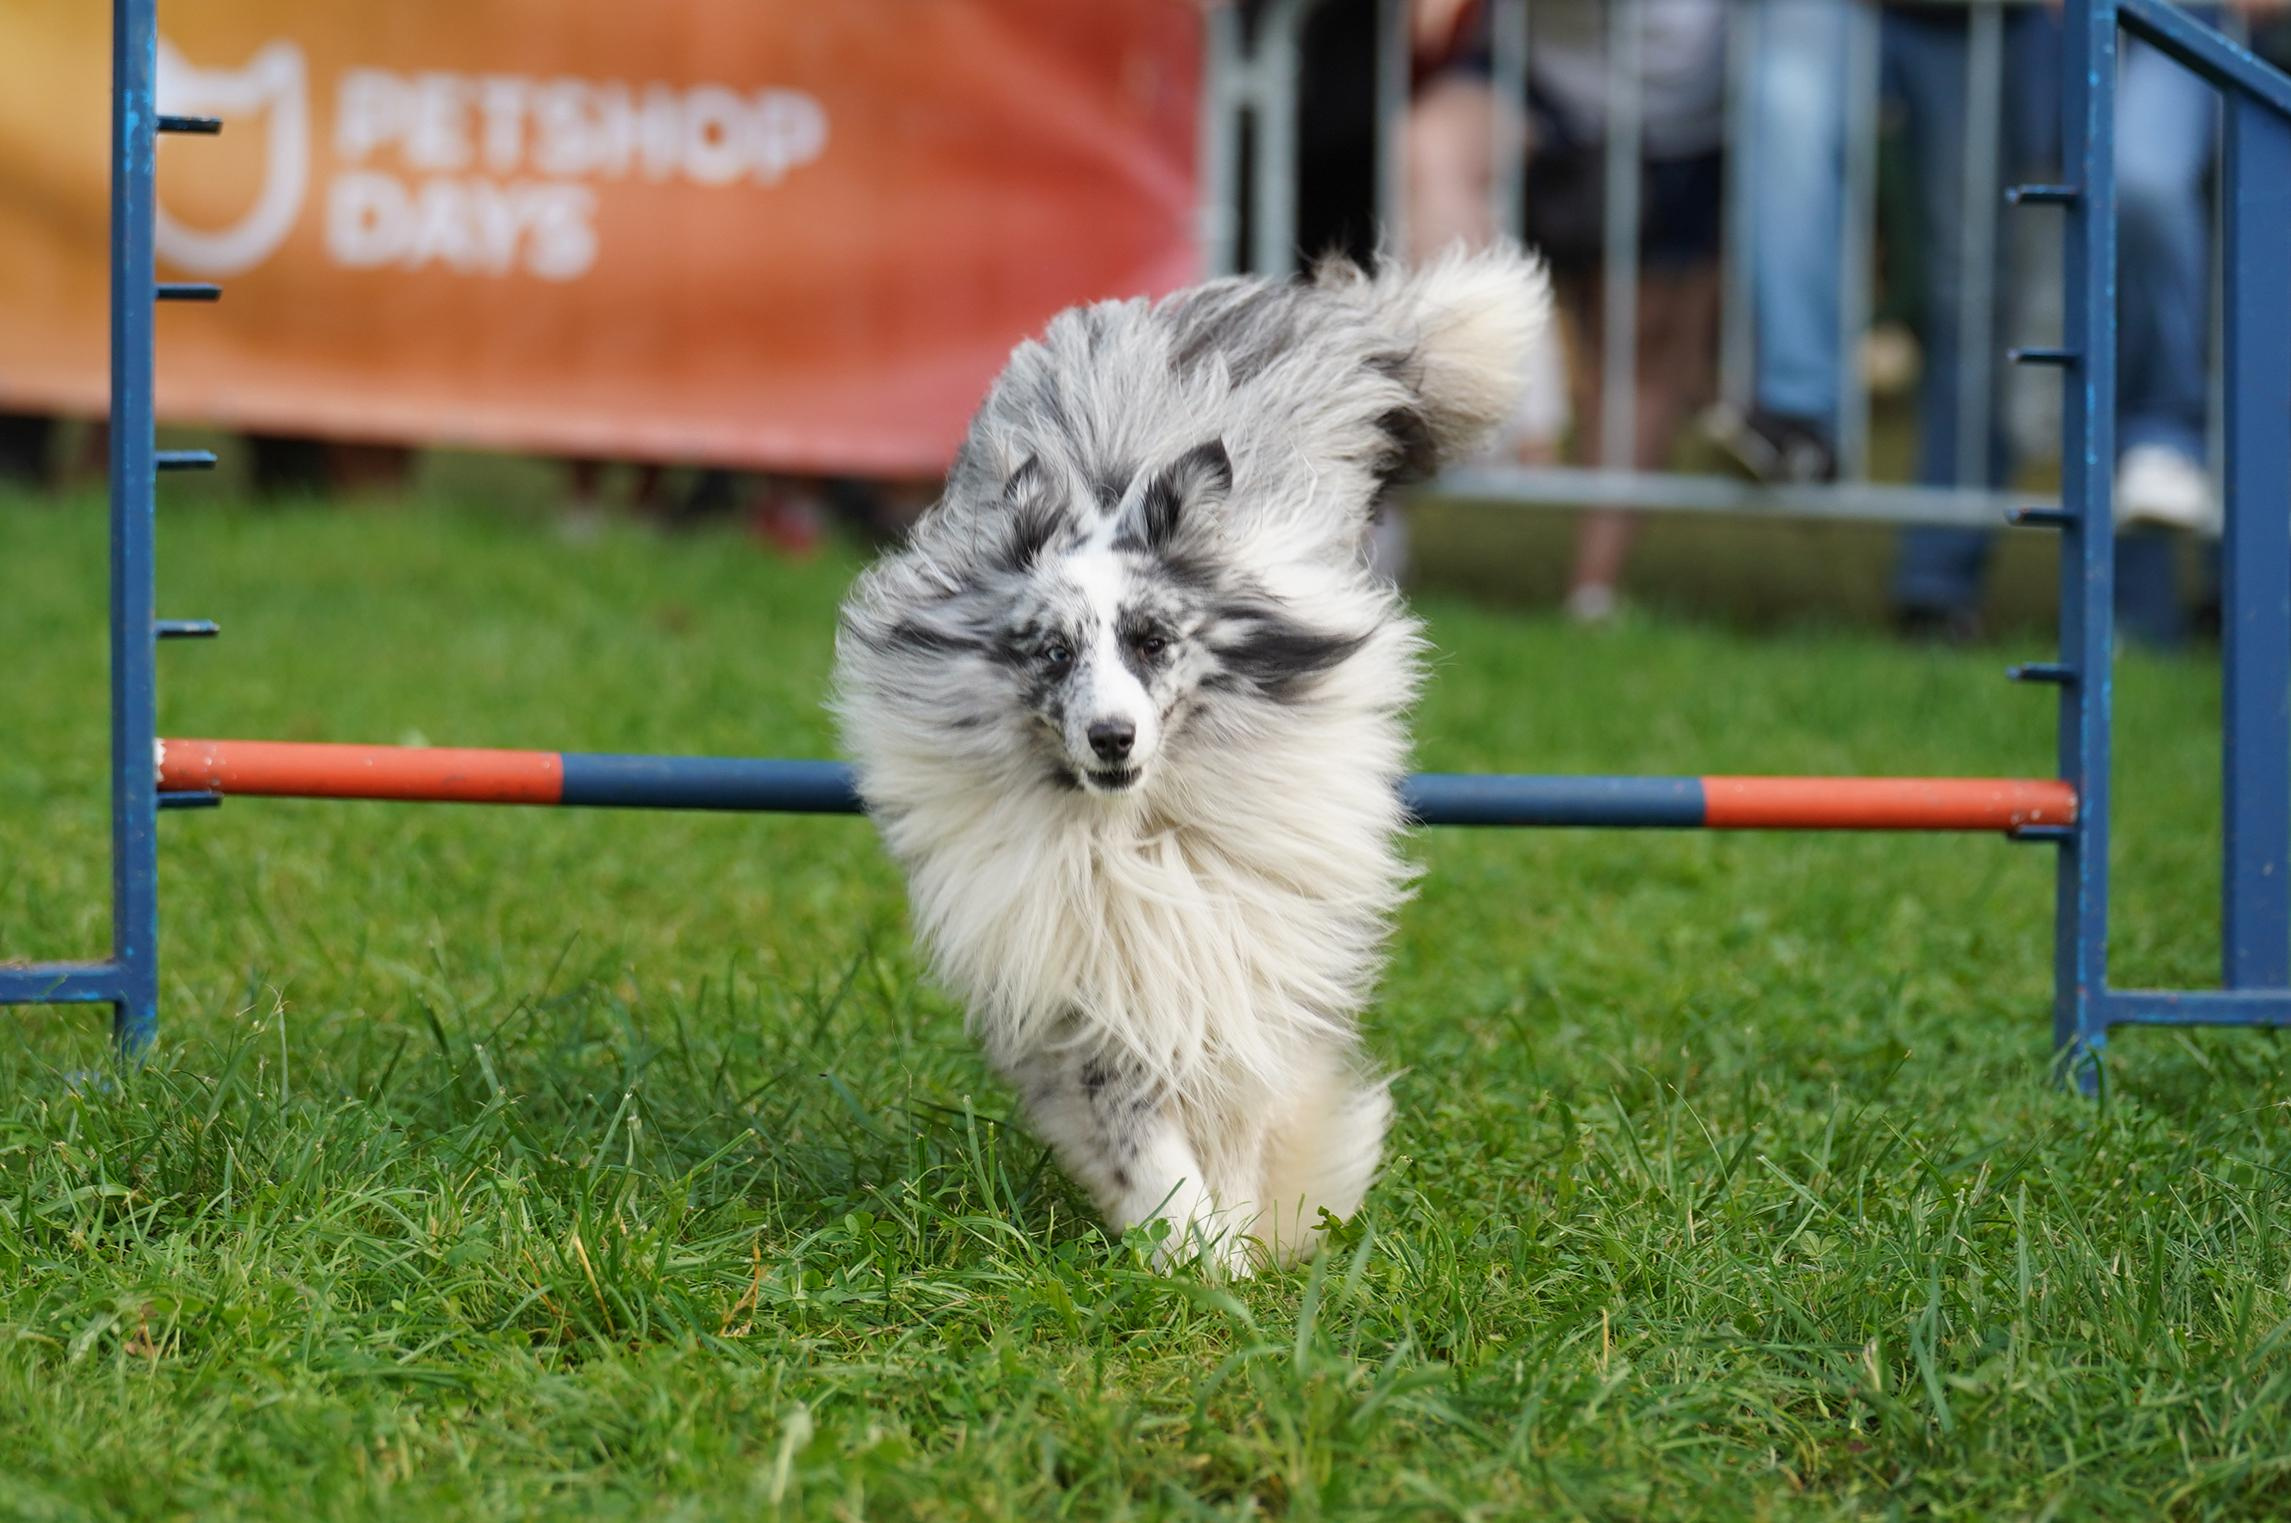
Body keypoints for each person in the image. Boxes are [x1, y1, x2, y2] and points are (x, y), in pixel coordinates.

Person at [1407, 0, 1728, 619]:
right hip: (1535, 78)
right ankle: (1520, 410)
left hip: (1686, 117)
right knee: (1429, 146)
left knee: (1644, 340)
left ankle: (1593, 591)